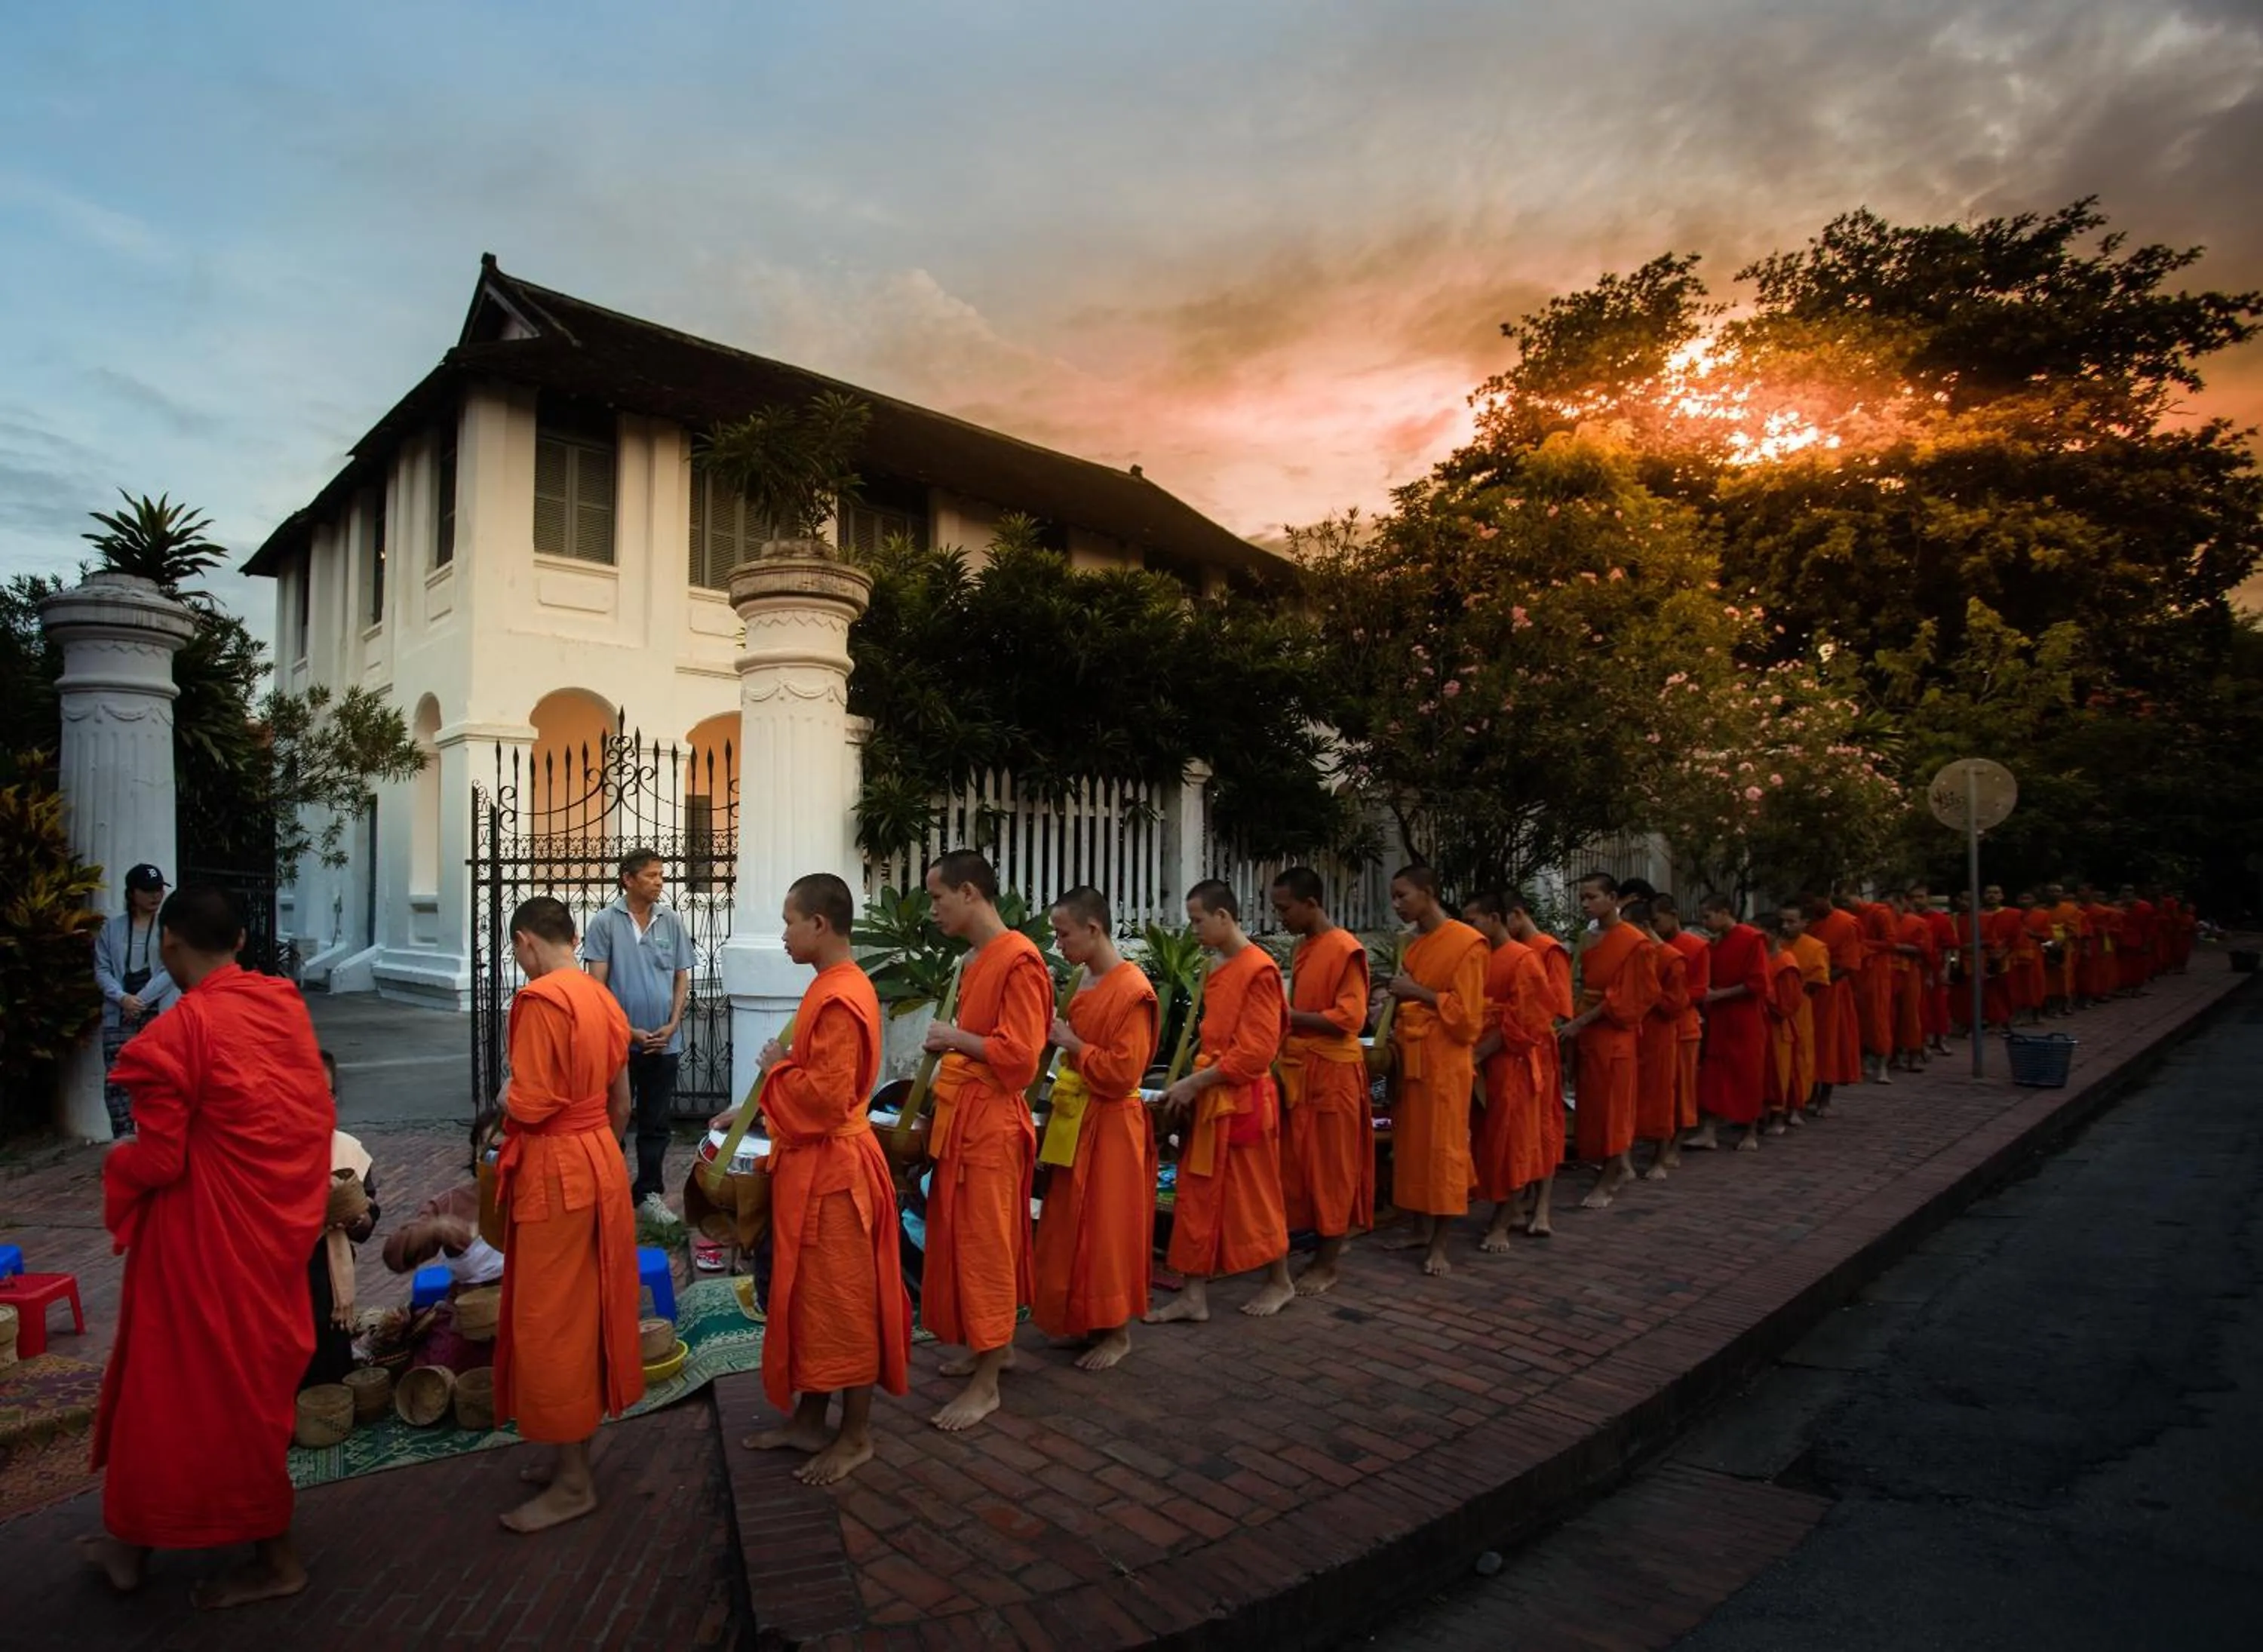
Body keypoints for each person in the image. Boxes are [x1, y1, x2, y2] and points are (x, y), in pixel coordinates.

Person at [81, 884, 333, 1609]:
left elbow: (158, 1161)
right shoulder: (281, 1006)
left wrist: (115, 1166)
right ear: (243, 943)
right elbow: (307, 1118)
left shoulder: (178, 1035)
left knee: (202, 1393)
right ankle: (130, 1540)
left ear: (168, 944)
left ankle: (276, 1558)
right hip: (264, 1232)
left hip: (203, 1244)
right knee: (167, 1389)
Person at [733, 874, 910, 1485]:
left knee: (844, 1303)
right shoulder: (830, 987)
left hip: (838, 1176)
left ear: (820, 925)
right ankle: (810, 1419)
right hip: (816, 1169)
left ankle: (855, 1435)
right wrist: (766, 1092)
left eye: (789, 921)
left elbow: (829, 1099)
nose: (783, 934)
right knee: (812, 1300)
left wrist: (777, 1073)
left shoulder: (840, 994)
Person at [490, 895, 643, 1533]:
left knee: (549, 1317)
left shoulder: (540, 1000)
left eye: (516, 952)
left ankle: (576, 1482)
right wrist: (593, 1144)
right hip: (598, 1158)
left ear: (526, 942)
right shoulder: (599, 997)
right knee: (578, 1310)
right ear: (571, 937)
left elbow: (527, 1102)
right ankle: (566, 1452)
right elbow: (623, 1103)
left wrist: (505, 1095)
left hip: (556, 1167)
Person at [918, 850, 1052, 1431]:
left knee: (986, 1248)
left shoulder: (1019, 959)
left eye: (937, 897)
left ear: (969, 892)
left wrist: (955, 1037)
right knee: (962, 1244)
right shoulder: (979, 960)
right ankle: (987, 1344)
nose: (933, 910)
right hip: (964, 1121)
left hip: (991, 1126)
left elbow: (1022, 1061)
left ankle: (990, 1381)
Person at [1147, 879, 1294, 1322]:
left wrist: (1198, 1083)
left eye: (1197, 920)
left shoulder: (1259, 969)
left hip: (1243, 1101)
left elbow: (1256, 1053)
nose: (1192, 930)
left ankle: (1280, 1281)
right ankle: (1193, 1296)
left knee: (1256, 1197)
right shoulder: (1219, 966)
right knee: (1196, 1197)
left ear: (1223, 917)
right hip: (1214, 1096)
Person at [1031, 885, 1159, 1367]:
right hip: (1076, 1117)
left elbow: (1124, 1073)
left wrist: (1074, 1043)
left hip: (1112, 1121)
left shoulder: (1133, 990)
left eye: (1064, 935)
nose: (1060, 945)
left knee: (1108, 1228)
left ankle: (1117, 1332)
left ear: (1093, 928)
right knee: (1069, 1224)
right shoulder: (1082, 980)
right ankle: (1083, 1318)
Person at [1374, 867, 1488, 1277]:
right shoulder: (1415, 945)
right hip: (1413, 1061)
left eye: (1403, 895)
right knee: (1412, 1150)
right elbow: (1409, 1001)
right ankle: (1420, 1229)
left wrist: (1416, 993)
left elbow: (1468, 1020)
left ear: (1428, 893)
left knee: (1443, 1153)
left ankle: (1441, 1244)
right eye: (1394, 896)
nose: (1397, 904)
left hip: (1445, 1066)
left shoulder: (1468, 944)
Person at [1269, 867, 1373, 1296]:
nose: (1280, 918)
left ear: (1311, 904)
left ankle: (1328, 1263)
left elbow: (1351, 1018)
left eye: (1285, 908)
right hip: (1302, 1070)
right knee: (1302, 1167)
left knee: (1332, 1168)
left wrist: (1290, 1019)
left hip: (1333, 1073)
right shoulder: (1304, 947)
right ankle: (1320, 1244)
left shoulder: (1345, 948)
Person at [582, 848, 695, 1227]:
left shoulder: (671, 921)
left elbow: (682, 975)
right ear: (628, 879)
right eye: (650, 875)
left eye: (661, 875)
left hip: (665, 1043)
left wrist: (674, 1023)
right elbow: (597, 987)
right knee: (613, 1116)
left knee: (656, 1122)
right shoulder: (604, 923)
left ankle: (649, 1193)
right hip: (619, 1042)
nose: (659, 881)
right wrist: (626, 1030)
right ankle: (608, 1190)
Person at [1558, 873, 1656, 1210]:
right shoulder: (1587, 937)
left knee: (1615, 1110)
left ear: (1613, 898)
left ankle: (1609, 1179)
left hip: (1614, 1034)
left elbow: (1625, 997)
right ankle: (1617, 1165)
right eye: (1582, 898)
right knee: (1594, 1109)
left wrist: (1581, 1021)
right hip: (1588, 1033)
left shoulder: (1634, 941)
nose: (1585, 904)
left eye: (1592, 897)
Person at [304, 1051, 380, 1390]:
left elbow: (366, 1225)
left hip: (330, 1282)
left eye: (326, 1095)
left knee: (331, 1376)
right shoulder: (267, 1153)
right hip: (279, 1281)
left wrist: (353, 1217)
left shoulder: (346, 1150)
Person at [94, 864, 179, 1141]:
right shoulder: (112, 928)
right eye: (149, 891)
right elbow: (102, 969)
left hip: (157, 1014)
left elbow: (171, 968)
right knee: (118, 1080)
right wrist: (122, 998)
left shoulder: (168, 929)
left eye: (159, 890)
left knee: (159, 1078)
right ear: (133, 893)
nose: (156, 896)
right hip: (120, 1014)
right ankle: (124, 1139)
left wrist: (140, 1000)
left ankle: (157, 1138)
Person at [1506, 897, 1573, 1234]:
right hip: (1514, 1050)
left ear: (1517, 914)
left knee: (1544, 1127)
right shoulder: (1515, 949)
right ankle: (1518, 1203)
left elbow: (1556, 1009)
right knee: (1521, 1130)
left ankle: (1542, 1209)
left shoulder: (1547, 949)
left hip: (1540, 1050)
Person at [1690, 895, 1769, 1153]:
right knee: (1713, 1071)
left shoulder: (1751, 938)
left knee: (1748, 1072)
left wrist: (1719, 994)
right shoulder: (1715, 943)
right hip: (1719, 1017)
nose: (1705, 923)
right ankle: (1709, 1130)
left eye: (1708, 917)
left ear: (1724, 912)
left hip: (1745, 1017)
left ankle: (1750, 1131)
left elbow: (1757, 983)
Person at [1619, 900, 1687, 1181]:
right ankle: (1624, 1162)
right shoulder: (1633, 954)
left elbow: (1676, 1004)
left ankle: (1660, 1158)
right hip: (1632, 1030)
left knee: (1660, 1095)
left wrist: (1649, 992)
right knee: (1627, 1096)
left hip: (1660, 1034)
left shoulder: (1672, 958)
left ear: (1645, 926)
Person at [1654, 895, 1710, 1156]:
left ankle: (1674, 1145)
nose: (1655, 928)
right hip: (1656, 1024)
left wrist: (1672, 1000)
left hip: (1683, 1024)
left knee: (1683, 1089)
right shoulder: (1651, 947)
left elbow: (1699, 988)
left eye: (1657, 921)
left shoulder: (1696, 946)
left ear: (1673, 914)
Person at [1801, 894, 1863, 1115]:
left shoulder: (1846, 923)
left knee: (1829, 1041)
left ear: (1825, 898)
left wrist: (1821, 981)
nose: (1809, 907)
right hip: (1806, 990)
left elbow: (1848, 964)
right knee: (1808, 1041)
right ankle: (1809, 1094)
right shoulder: (1807, 923)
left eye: (1812, 902)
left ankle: (1825, 1098)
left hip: (1831, 990)